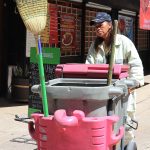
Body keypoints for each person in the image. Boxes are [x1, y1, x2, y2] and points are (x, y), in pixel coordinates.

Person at [86, 12, 144, 146]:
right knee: (103, 126)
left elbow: (136, 64)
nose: (98, 28)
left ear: (110, 25)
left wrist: (133, 84)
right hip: (102, 94)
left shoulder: (124, 42)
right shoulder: (94, 47)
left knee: (125, 127)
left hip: (123, 94)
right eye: (96, 26)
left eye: (101, 25)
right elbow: (88, 67)